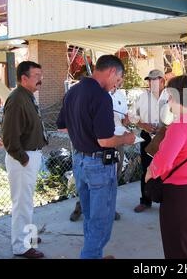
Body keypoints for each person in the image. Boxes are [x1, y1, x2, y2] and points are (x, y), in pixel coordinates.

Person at [57, 55, 135, 259]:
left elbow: (63, 126)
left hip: (80, 162)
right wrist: (126, 139)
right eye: (117, 81)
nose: (115, 87)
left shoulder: (73, 91)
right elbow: (105, 141)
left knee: (91, 216)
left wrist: (83, 130)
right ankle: (90, 256)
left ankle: (95, 254)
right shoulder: (101, 97)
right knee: (102, 221)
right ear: (111, 72)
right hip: (99, 165)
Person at [145, 75, 187, 259]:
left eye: (169, 95)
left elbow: (163, 162)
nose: (167, 100)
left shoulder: (180, 124)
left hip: (180, 194)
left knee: (178, 250)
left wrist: (150, 173)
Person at [1, 61, 48, 259]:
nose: (40, 79)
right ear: (24, 78)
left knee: (27, 202)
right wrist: (24, 159)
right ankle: (20, 246)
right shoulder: (17, 99)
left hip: (30, 156)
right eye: (36, 75)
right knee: (22, 203)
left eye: (41, 75)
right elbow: (9, 137)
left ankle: (28, 237)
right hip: (22, 160)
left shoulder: (27, 96)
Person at [69, 84, 128, 222]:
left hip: (117, 141)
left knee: (114, 177)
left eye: (120, 79)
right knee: (90, 179)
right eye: (116, 78)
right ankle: (81, 206)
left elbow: (123, 119)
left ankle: (109, 208)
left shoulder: (121, 96)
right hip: (98, 144)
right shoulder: (96, 95)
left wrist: (126, 120)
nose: (117, 82)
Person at [130, 69, 168, 213]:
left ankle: (167, 202)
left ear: (162, 81)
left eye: (154, 80)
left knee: (167, 169)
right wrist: (143, 125)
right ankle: (145, 201)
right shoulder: (142, 97)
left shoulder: (170, 95)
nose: (151, 83)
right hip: (147, 137)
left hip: (166, 137)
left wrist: (165, 128)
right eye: (149, 80)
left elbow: (178, 116)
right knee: (146, 169)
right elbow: (132, 116)